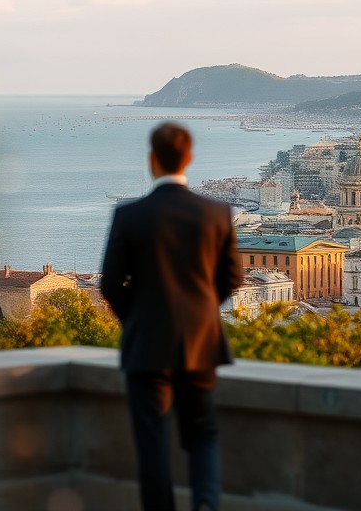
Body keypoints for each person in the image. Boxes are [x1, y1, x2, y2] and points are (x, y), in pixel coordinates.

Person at [100, 122, 242, 511]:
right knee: (203, 435)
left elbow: (110, 285)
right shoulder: (216, 212)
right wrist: (201, 312)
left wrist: (139, 321)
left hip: (147, 345)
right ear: (189, 158)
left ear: (151, 160)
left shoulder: (129, 215)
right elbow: (233, 278)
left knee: (151, 443)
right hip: (201, 342)